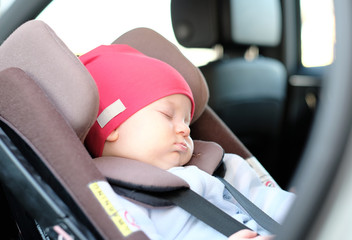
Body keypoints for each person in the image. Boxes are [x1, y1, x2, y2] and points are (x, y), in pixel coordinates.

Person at [79, 44, 295, 240]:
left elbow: (271, 202)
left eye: (187, 121)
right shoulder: (114, 198)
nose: (185, 129)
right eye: (167, 115)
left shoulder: (223, 169)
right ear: (113, 127)